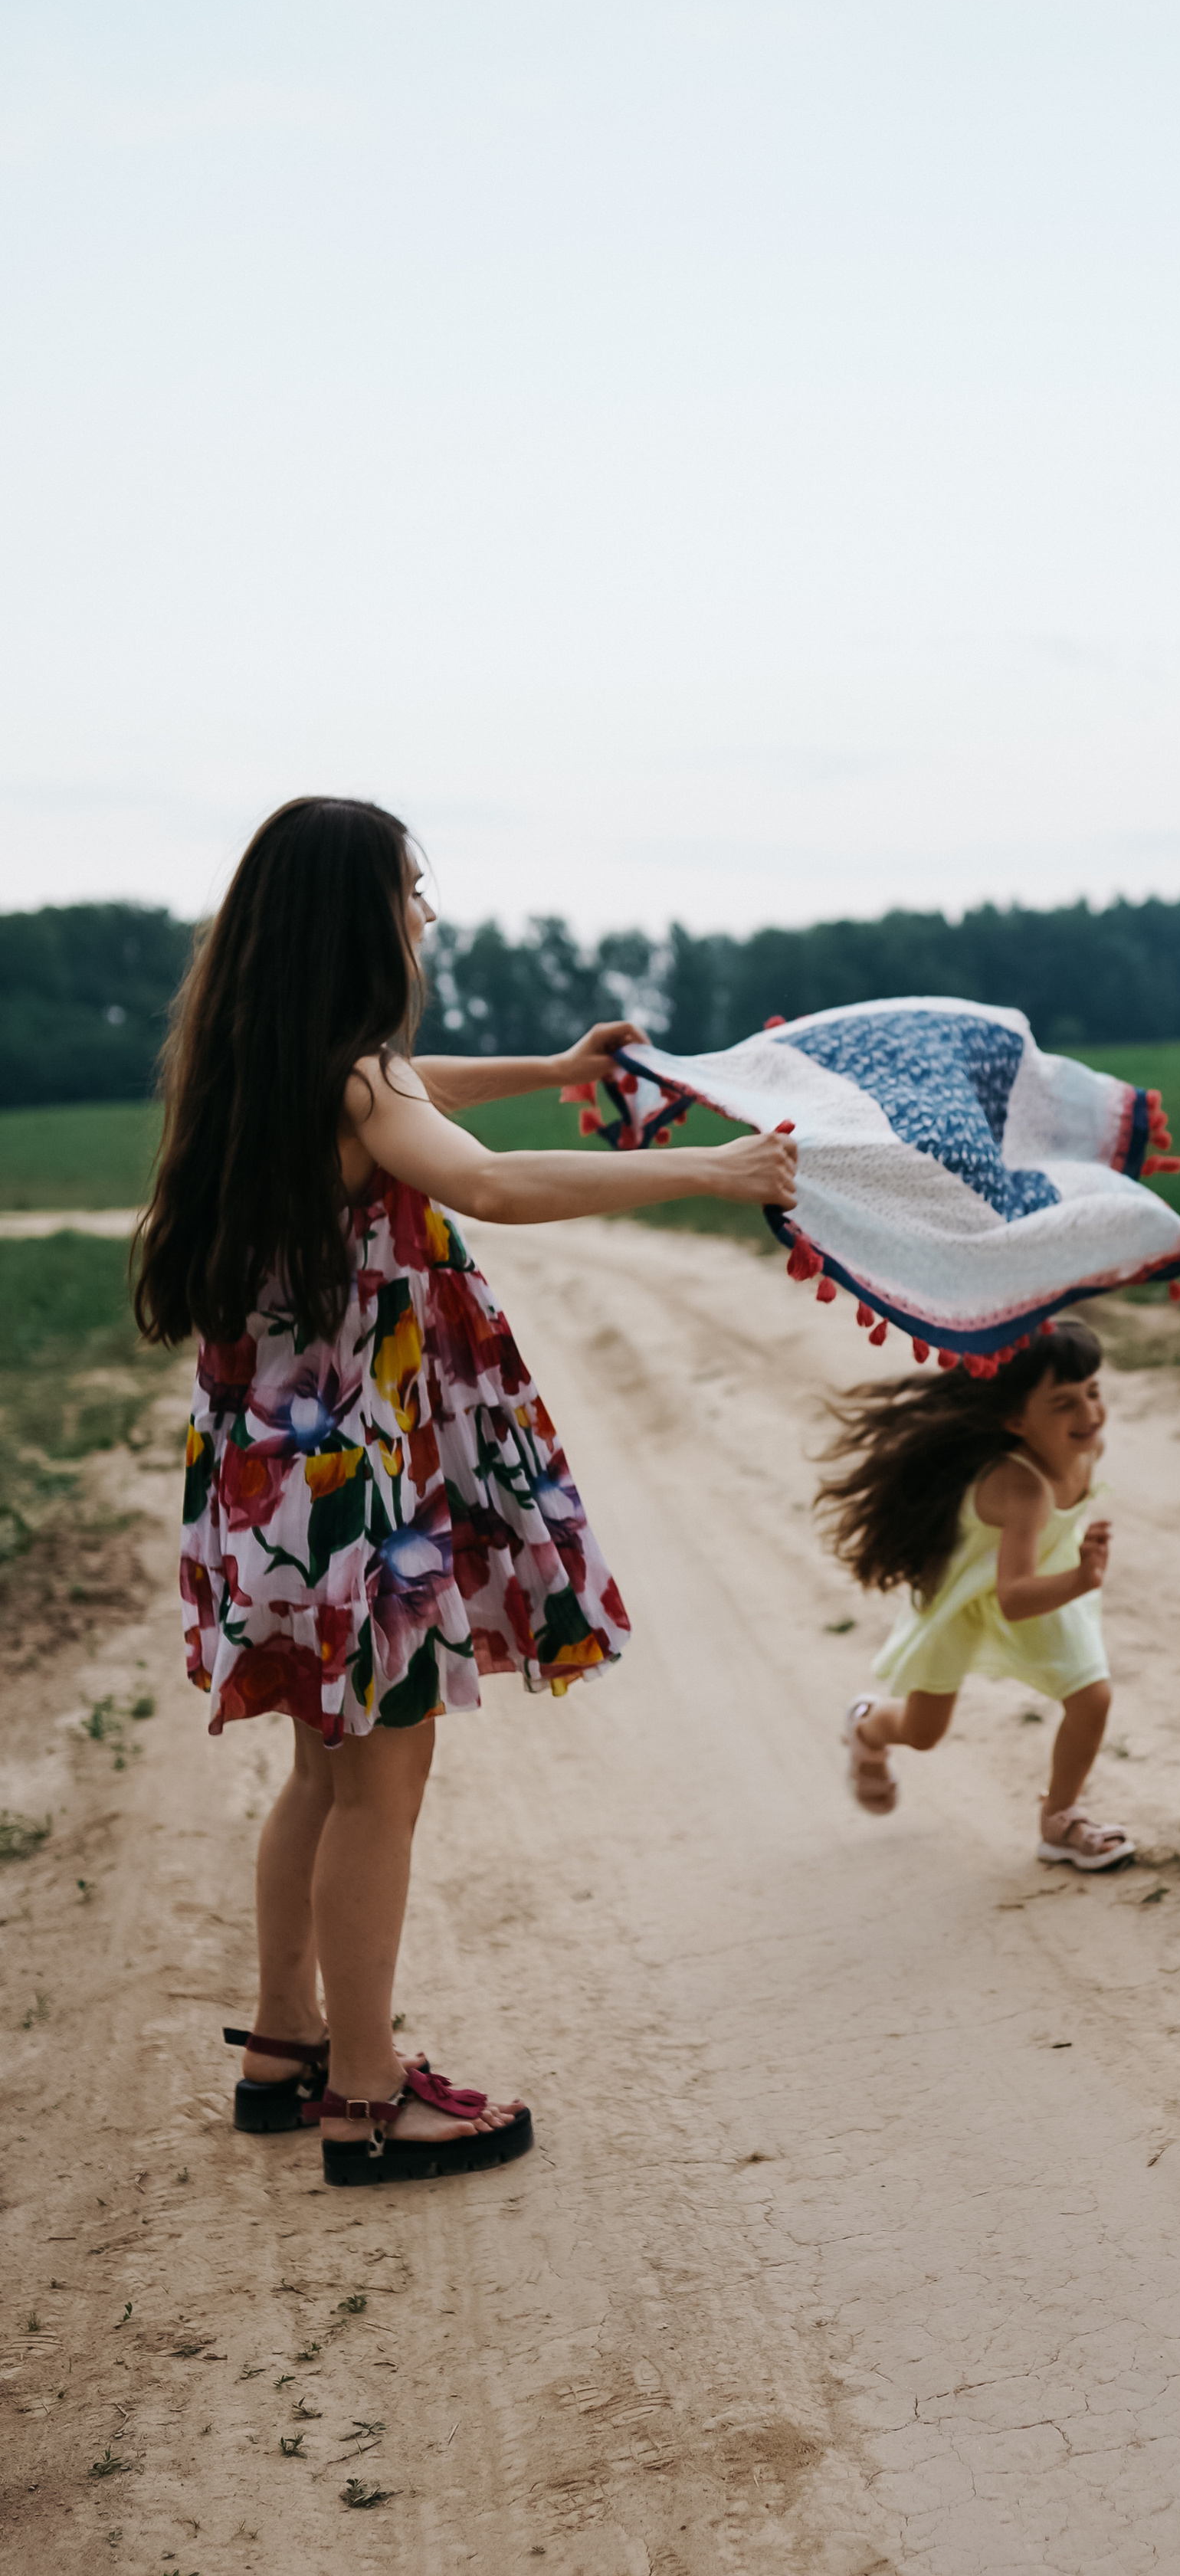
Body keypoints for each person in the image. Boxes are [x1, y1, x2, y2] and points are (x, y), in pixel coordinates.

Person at [133, 796, 795, 2185]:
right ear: (355, 920)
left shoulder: (267, 1072)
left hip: (275, 1494)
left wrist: (552, 1065)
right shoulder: (359, 1084)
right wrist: (711, 1170)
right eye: (409, 889)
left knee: (322, 1773)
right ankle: (371, 2099)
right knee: (383, 1785)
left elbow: (415, 1089)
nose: (426, 914)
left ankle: (285, 2046)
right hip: (356, 1498)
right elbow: (482, 1184)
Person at [818, 1317, 1132, 1870]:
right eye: (1063, 1404)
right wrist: (1082, 1579)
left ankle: (1059, 1822)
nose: (1089, 1414)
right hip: (967, 1599)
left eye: (1092, 1391)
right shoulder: (1022, 1488)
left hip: (1043, 1578)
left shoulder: (1089, 1447)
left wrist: (1074, 1573)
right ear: (1016, 1421)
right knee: (923, 1732)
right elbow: (1012, 1597)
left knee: (1093, 1697)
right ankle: (867, 1725)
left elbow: (1027, 1583)